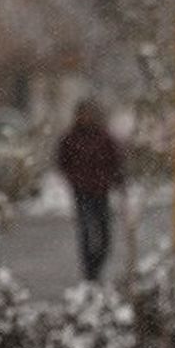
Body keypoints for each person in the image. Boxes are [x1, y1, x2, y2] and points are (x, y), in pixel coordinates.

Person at [56, 98, 124, 282]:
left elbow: (116, 161)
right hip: (81, 191)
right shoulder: (70, 138)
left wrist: (116, 180)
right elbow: (62, 161)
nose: (86, 117)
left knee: (104, 235)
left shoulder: (104, 137)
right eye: (83, 114)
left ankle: (97, 268)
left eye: (89, 114)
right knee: (86, 231)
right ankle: (89, 273)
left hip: (101, 191)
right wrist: (74, 179)